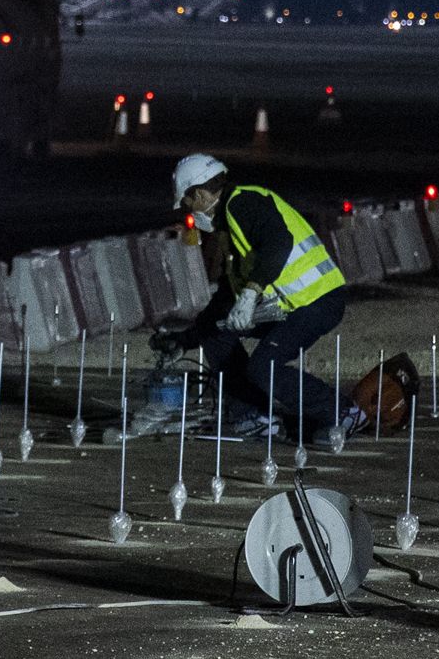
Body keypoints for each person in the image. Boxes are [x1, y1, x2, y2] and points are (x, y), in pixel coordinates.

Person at [150, 154, 365, 444]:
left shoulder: (244, 203)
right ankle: (255, 417)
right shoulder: (231, 224)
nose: (186, 210)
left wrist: (251, 293)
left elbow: (279, 240)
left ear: (199, 193)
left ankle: (343, 412)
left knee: (265, 367)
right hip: (291, 305)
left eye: (187, 202)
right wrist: (185, 340)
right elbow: (227, 296)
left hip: (317, 300)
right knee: (216, 332)